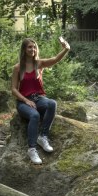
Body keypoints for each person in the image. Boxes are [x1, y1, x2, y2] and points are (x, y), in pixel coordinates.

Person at [11, 36, 70, 165]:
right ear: (24, 49)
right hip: (23, 102)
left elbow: (55, 59)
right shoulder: (17, 67)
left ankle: (43, 137)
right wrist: (25, 100)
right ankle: (32, 149)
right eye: (29, 47)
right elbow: (14, 89)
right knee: (35, 115)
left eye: (34, 47)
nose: (32, 49)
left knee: (52, 103)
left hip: (39, 99)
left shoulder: (39, 64)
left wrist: (66, 49)